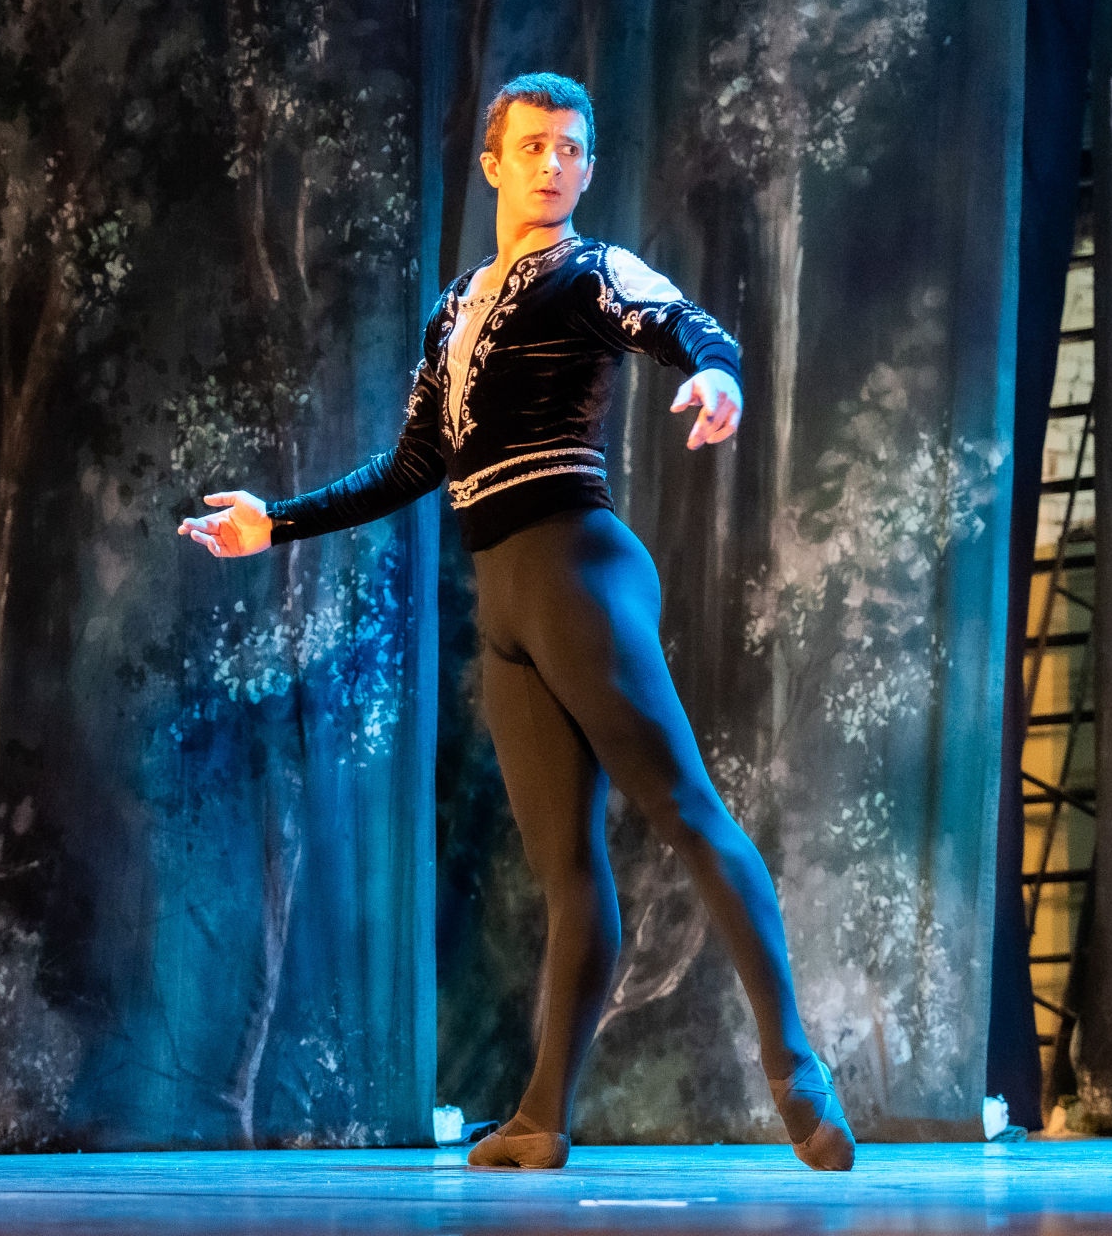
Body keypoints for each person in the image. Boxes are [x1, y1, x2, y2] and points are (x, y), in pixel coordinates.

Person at [178, 72, 854, 1172]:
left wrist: (719, 377)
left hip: (578, 569)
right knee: (565, 868)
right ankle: (541, 1116)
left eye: (571, 148)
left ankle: (793, 1067)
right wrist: (277, 523)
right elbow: (413, 463)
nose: (553, 163)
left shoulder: (592, 272)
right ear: (492, 164)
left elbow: (684, 324)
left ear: (587, 168)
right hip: (505, 601)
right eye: (533, 146)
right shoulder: (455, 307)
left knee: (684, 807)